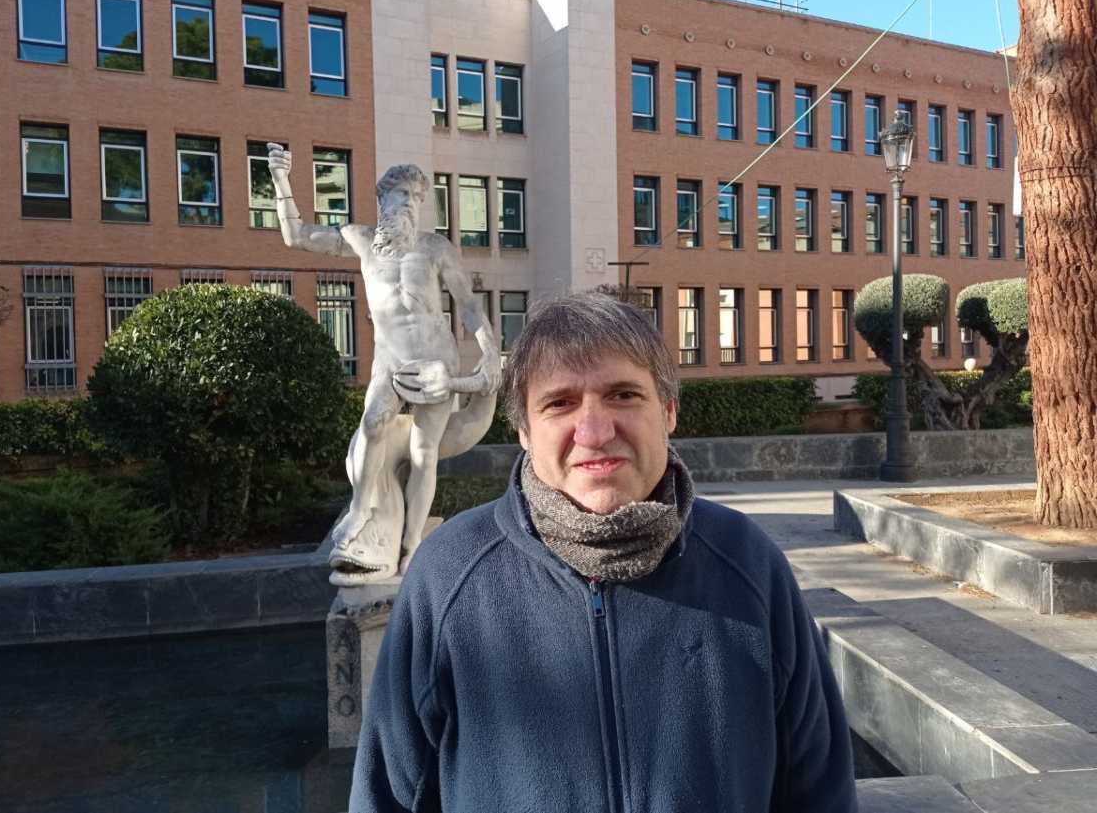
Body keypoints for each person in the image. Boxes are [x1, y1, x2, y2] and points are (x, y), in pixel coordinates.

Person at [350, 291, 858, 812]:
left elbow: (820, 789)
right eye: (560, 403)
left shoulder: (748, 563)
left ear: (668, 412)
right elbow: (388, 794)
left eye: (623, 395)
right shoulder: (448, 575)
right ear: (524, 430)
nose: (594, 431)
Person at [267, 146, 501, 582]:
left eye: (417, 196)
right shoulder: (359, 239)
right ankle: (360, 510)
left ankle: (410, 548)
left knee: (423, 452)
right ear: (383, 200)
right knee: (374, 424)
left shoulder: (434, 249)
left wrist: (489, 352)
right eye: (403, 194)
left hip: (435, 361)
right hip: (390, 362)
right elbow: (295, 235)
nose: (411, 203)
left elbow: (469, 307)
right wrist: (281, 180)